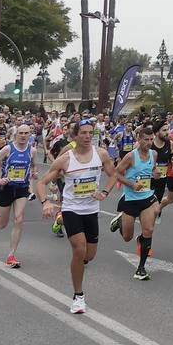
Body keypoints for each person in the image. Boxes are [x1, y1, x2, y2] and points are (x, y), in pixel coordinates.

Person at [36, 118, 116, 314]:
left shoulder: (101, 154)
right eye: (84, 133)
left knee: (90, 254)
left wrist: (104, 192)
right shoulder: (65, 159)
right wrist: (45, 202)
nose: (88, 136)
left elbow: (114, 174)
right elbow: (41, 183)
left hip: (91, 210)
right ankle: (78, 296)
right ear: (75, 136)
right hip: (71, 209)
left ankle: (61, 223)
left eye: (91, 133)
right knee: (79, 251)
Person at [107, 124, 159, 280]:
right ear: (139, 139)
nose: (149, 142)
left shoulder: (154, 154)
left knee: (148, 230)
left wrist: (155, 173)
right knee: (127, 237)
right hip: (130, 200)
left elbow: (153, 168)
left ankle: (141, 268)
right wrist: (131, 184)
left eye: (151, 139)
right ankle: (120, 221)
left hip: (146, 198)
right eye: (146, 139)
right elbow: (116, 174)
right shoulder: (131, 156)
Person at [0, 122, 36, 267]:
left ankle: (11, 255)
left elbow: (33, 165)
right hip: (6, 188)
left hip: (22, 189)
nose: (23, 136)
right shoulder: (8, 149)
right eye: (21, 133)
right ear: (16, 134)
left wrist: (35, 172)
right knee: (1, 225)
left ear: (29, 135)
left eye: (26, 133)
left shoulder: (32, 151)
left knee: (19, 219)